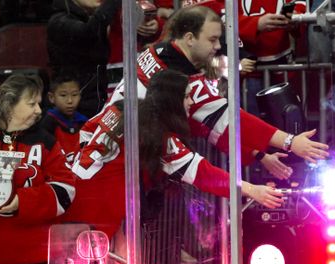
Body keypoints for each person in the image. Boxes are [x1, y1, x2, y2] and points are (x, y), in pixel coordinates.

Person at [95, 5, 328, 180]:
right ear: (189, 38)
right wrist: (289, 141)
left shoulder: (162, 52)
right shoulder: (175, 73)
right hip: (114, 162)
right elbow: (226, 120)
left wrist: (259, 155)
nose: (218, 47)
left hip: (116, 152)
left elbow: (208, 127)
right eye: (213, 39)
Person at [68, 68, 284, 239]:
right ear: (172, 100)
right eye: (187, 96)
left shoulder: (120, 108)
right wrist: (253, 190)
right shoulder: (158, 136)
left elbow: (86, 131)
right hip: (96, 213)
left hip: (74, 193)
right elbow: (204, 175)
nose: (192, 102)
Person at [0, 73, 77, 264]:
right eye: (31, 104)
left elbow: (66, 191)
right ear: (9, 104)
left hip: (34, 260)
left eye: (39, 103)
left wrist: (22, 202)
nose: (39, 110)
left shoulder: (45, 141)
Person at [47, 0, 122, 118]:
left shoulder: (86, 19)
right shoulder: (58, 21)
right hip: (73, 111)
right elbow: (88, 32)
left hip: (97, 103)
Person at [38, 72, 89, 164]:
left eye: (74, 95)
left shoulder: (84, 122)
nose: (70, 101)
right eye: (63, 95)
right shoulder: (48, 122)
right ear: (51, 97)